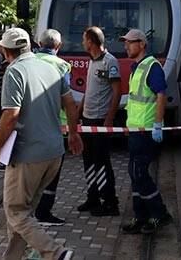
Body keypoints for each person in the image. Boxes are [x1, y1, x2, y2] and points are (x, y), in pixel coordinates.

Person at [0, 28, 83, 260]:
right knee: (24, 214)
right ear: (30, 45)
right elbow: (70, 104)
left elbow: (11, 114)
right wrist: (73, 134)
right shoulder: (52, 67)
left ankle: (56, 253)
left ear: (5, 51)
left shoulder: (14, 71)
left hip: (28, 154)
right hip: (54, 152)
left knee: (15, 212)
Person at [118, 29, 173, 235]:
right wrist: (129, 125)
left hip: (147, 131)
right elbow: (135, 102)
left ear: (141, 44)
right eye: (125, 43)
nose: (126, 46)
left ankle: (159, 213)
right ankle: (140, 216)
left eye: (130, 43)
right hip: (136, 130)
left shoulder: (152, 66)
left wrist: (158, 123)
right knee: (134, 173)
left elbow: (161, 95)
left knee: (139, 173)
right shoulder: (137, 67)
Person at [76, 26, 122, 216]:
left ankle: (110, 202)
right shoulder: (92, 61)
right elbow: (88, 91)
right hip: (87, 119)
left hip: (100, 120)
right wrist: (78, 113)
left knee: (101, 161)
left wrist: (110, 118)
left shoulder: (110, 61)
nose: (82, 43)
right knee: (88, 160)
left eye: (84, 39)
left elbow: (117, 91)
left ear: (91, 41)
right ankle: (93, 197)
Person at [34, 29, 72, 226]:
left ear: (40, 43)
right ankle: (43, 212)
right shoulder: (62, 65)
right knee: (52, 171)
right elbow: (66, 98)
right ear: (59, 46)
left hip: (31, 124)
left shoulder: (29, 62)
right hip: (56, 125)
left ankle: (28, 209)